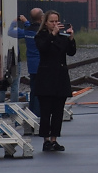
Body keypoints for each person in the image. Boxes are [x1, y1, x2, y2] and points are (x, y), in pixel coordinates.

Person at [33, 10, 77, 152]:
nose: (54, 24)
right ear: (45, 23)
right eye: (51, 21)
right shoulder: (41, 36)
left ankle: (54, 139)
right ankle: (46, 140)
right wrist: (52, 35)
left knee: (58, 112)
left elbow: (71, 52)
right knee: (46, 112)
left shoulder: (62, 36)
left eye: (56, 21)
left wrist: (71, 38)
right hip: (46, 78)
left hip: (60, 78)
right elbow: (43, 48)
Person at [6, 9, 44, 108]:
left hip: (31, 65)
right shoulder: (42, 32)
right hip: (42, 64)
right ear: (42, 18)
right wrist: (26, 22)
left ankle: (33, 110)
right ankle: (38, 111)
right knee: (41, 91)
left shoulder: (27, 32)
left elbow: (10, 32)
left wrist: (15, 21)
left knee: (33, 89)